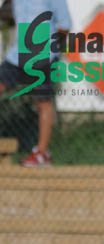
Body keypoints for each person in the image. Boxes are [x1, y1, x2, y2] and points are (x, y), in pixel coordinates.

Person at [0, 0, 71, 166]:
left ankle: (42, 153)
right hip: (17, 54)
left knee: (42, 101)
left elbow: (65, 25)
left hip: (43, 53)